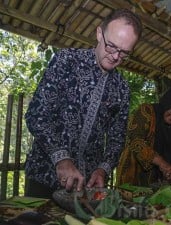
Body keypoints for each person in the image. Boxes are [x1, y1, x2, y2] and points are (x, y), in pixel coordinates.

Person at [24, 8, 143, 198]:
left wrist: (102, 170)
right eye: (111, 46)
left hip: (86, 187)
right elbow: (36, 115)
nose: (115, 56)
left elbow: (117, 138)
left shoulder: (122, 89)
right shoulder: (66, 61)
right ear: (98, 33)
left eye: (124, 53)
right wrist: (61, 158)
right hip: (44, 177)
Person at [116, 88, 171, 187]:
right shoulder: (146, 111)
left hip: (157, 181)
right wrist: (162, 163)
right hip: (134, 174)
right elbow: (135, 141)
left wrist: (169, 170)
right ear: (167, 104)